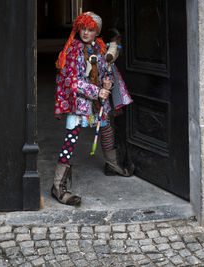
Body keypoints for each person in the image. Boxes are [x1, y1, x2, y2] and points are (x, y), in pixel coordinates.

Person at [52, 11, 134, 206]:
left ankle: (112, 164)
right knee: (71, 137)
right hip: (80, 104)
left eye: (90, 30)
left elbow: (108, 71)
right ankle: (58, 184)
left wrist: (107, 83)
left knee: (106, 129)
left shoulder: (100, 47)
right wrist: (96, 91)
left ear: (97, 32)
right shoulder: (72, 50)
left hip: (99, 103)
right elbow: (72, 82)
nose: (86, 33)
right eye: (83, 28)